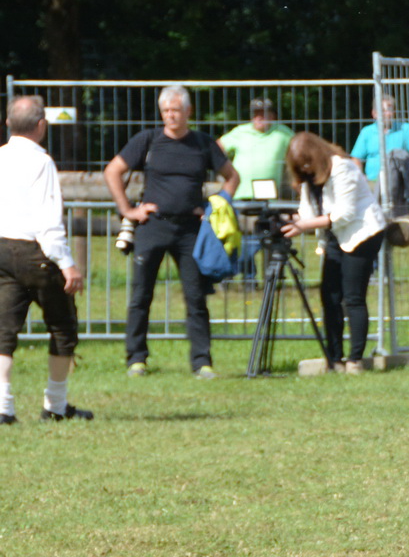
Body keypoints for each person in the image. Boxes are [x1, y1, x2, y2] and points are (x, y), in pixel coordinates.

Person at [104, 84, 241, 379]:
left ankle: (202, 362)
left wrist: (216, 206)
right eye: (166, 110)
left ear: (188, 112)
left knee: (196, 296)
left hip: (191, 230)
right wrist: (128, 210)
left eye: (176, 110)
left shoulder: (203, 143)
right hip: (152, 226)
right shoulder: (147, 140)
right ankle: (136, 359)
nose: (170, 116)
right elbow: (112, 170)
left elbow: (232, 177)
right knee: (141, 294)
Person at [0, 96, 89, 423]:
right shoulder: (42, 162)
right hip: (36, 252)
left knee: (3, 331)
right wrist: (66, 263)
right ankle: (55, 404)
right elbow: (48, 221)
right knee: (63, 327)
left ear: (9, 123)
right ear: (41, 125)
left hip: (2, 250)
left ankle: (3, 406)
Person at [281, 133, 387, 373]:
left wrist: (303, 226)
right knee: (329, 296)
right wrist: (290, 220)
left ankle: (354, 360)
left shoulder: (343, 168)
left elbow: (345, 213)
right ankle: (334, 359)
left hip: (362, 233)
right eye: (300, 166)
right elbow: (307, 213)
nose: (306, 169)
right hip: (335, 235)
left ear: (317, 155)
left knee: (353, 297)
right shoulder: (307, 177)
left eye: (308, 163)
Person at [217, 98, 294, 283]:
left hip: (268, 198)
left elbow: (298, 150)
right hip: (240, 195)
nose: (259, 118)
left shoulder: (283, 133)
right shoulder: (240, 132)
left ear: (273, 116)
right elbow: (217, 147)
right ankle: (244, 278)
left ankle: (270, 277)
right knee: (238, 238)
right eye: (256, 114)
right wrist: (223, 171)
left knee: (265, 236)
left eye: (264, 114)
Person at [350, 95, 409, 183]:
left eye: (390, 110)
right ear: (374, 114)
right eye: (383, 110)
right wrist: (361, 178)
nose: (388, 114)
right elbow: (356, 157)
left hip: (400, 183)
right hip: (373, 182)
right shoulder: (366, 132)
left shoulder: (405, 129)